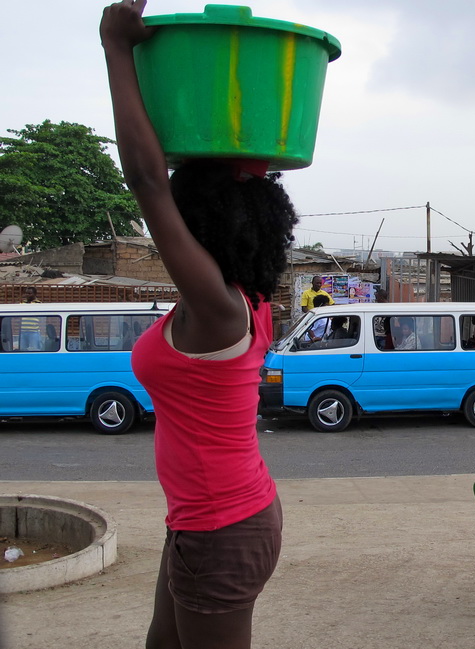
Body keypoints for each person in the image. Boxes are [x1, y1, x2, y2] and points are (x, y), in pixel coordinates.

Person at [100, 2, 297, 648]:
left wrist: (116, 48)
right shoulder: (245, 298)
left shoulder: (219, 309)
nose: (169, 232)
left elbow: (147, 182)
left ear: (202, 222)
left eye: (183, 216)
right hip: (203, 519)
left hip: (222, 525)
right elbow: (201, 181)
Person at [19, 286, 43, 350]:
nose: (27, 295)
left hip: (33, 331)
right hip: (23, 331)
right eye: (26, 293)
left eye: (30, 293)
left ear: (35, 294)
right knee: (22, 350)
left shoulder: (39, 304)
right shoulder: (22, 303)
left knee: (34, 349)